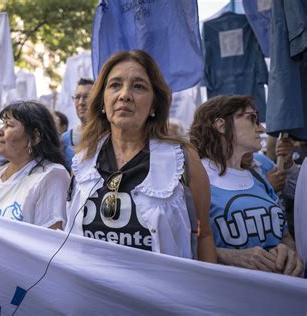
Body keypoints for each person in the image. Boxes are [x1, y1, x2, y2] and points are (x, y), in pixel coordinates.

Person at [65, 50, 217, 262]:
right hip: (89, 293)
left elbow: (204, 235)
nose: (125, 95)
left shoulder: (183, 159)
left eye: (138, 86)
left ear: (154, 104)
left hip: (160, 294)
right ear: (102, 101)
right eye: (115, 85)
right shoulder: (82, 161)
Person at [190, 95, 303, 276]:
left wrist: (288, 252)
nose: (261, 128)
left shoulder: (258, 176)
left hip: (277, 292)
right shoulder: (193, 176)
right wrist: (230, 256)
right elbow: (180, 245)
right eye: (252, 118)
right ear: (220, 125)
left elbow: (284, 235)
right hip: (227, 294)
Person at [0, 101, 70, 229]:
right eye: (3, 124)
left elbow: (50, 241)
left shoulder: (52, 175)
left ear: (35, 137)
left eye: (9, 125)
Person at [61, 78, 94, 169]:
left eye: (86, 97)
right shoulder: (64, 140)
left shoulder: (110, 135)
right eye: (77, 97)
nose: (81, 103)